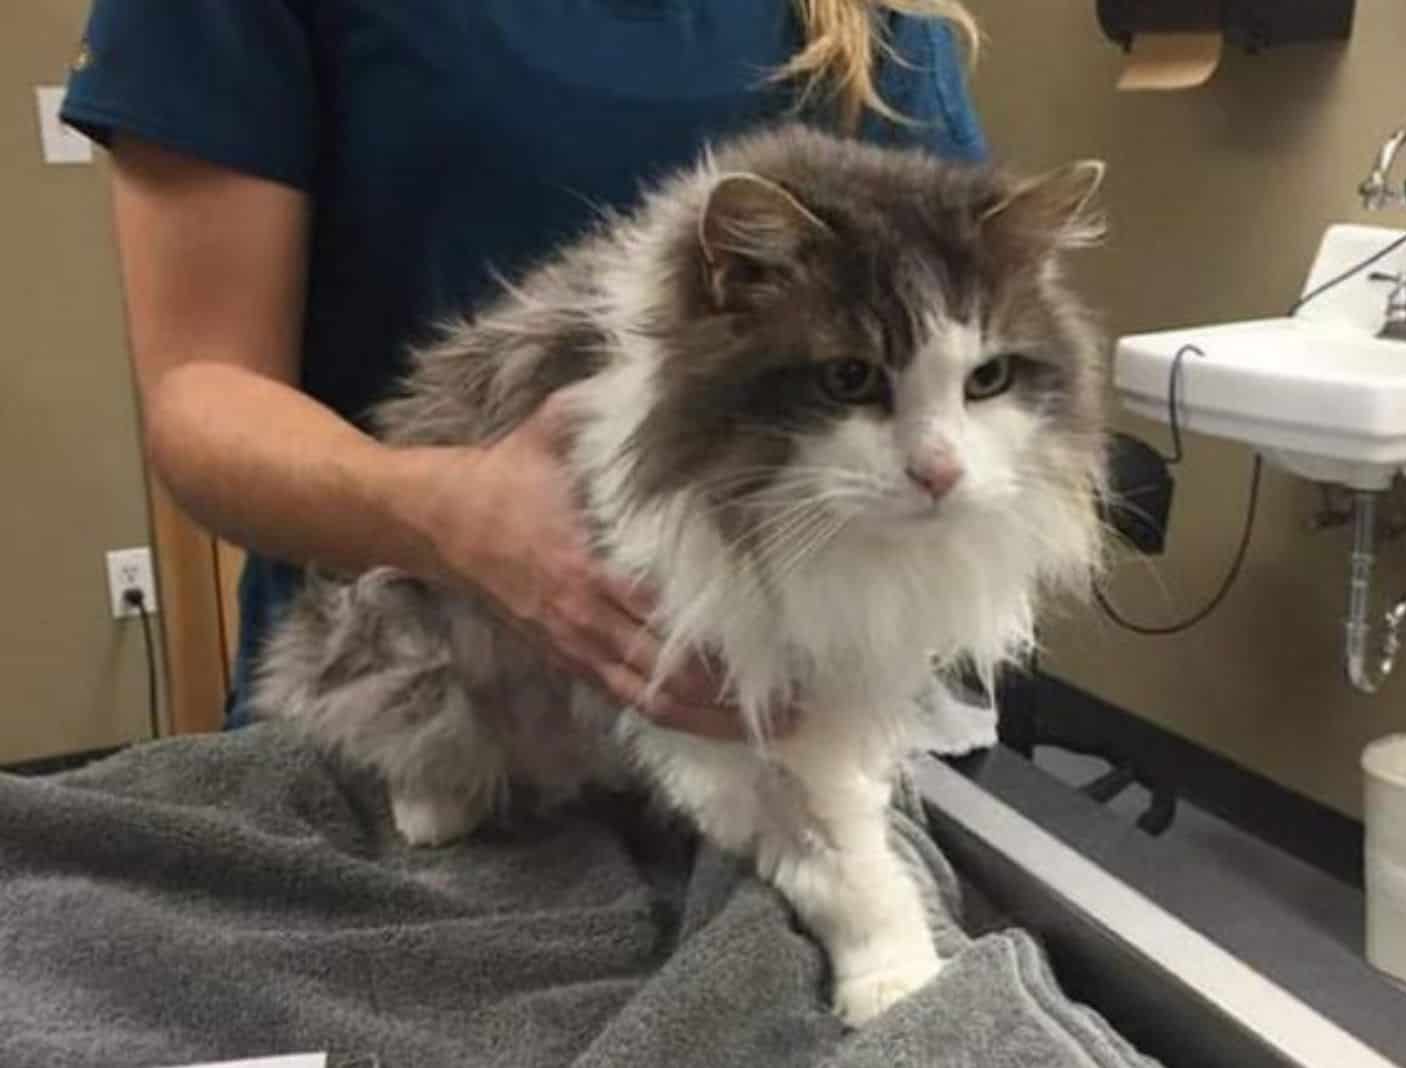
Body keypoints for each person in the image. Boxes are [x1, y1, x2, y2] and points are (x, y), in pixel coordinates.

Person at [62, 1, 988, 738]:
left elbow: (955, 331)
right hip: (431, 687)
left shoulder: (882, 16)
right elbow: (202, 394)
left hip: (794, 704)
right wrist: (450, 516)